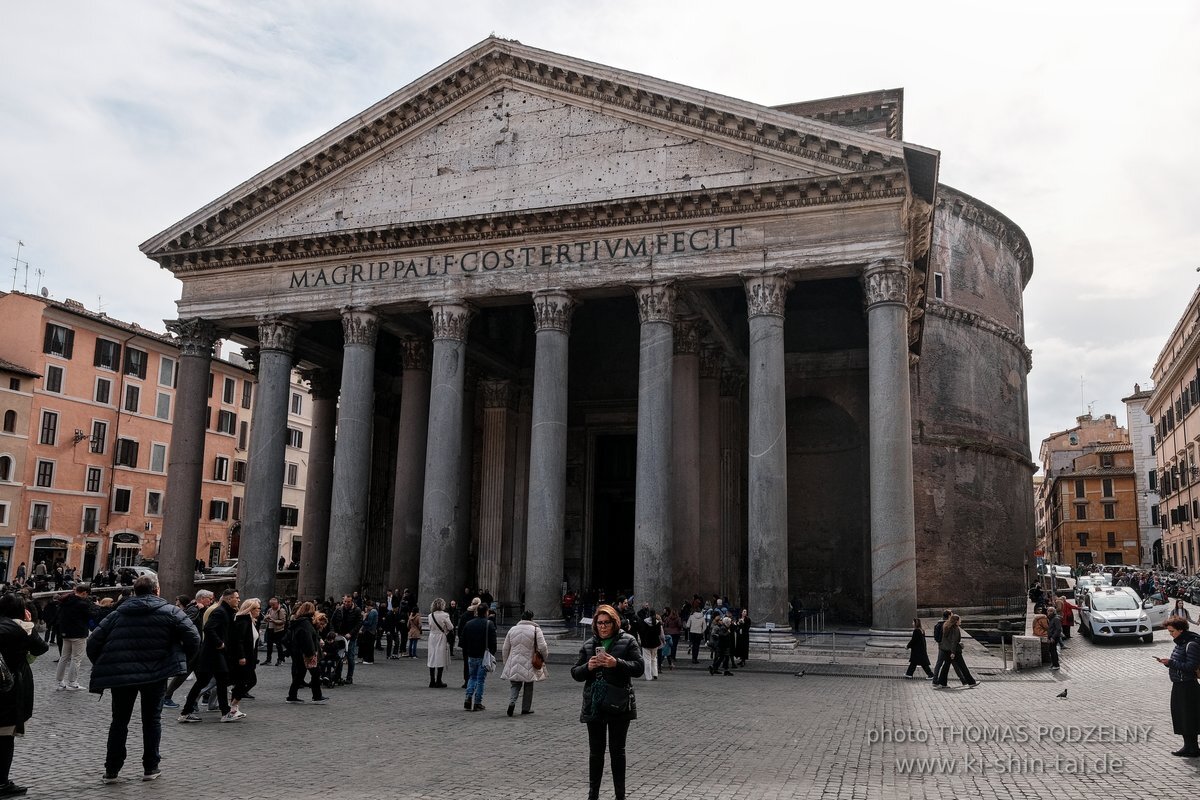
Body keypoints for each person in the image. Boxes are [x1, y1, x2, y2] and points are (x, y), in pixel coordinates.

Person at [87, 575, 200, 784]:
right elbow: (193, 638)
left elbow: (93, 641)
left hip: (122, 675)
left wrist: (107, 663)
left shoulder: (117, 613)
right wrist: (177, 659)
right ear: (156, 590)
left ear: (135, 591)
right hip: (155, 674)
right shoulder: (171, 611)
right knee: (152, 721)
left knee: (119, 722)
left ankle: (112, 770)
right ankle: (150, 767)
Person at [571, 604, 644, 800]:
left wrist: (616, 663)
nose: (603, 626)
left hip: (618, 704)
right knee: (596, 753)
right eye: (599, 623)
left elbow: (639, 668)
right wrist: (588, 666)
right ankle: (592, 795)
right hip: (594, 704)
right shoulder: (588, 645)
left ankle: (620, 795)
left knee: (617, 752)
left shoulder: (628, 641)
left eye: (607, 623)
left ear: (614, 623)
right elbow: (575, 673)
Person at [0, 592, 47, 796]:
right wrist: (29, 623)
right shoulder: (21, 630)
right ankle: (1, 782)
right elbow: (41, 647)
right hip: (9, 687)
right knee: (4, 738)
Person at [179, 588, 239, 723]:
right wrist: (220, 644)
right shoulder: (220, 611)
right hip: (213, 654)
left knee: (217, 682)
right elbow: (208, 628)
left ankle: (224, 712)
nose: (238, 599)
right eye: (236, 597)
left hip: (215, 654)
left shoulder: (225, 611)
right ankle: (187, 712)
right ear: (228, 599)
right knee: (206, 682)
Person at [1156, 615, 1200, 757]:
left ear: (1181, 630)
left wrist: (1171, 663)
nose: (1171, 634)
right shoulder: (1181, 643)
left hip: (1187, 685)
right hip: (1179, 683)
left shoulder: (1190, 644)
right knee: (1182, 716)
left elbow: (1191, 666)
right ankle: (1189, 746)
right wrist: (1167, 663)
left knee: (1188, 717)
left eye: (1172, 631)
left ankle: (1192, 747)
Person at [162, 590, 213, 709]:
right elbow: (184, 622)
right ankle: (167, 697)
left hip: (196, 647)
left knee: (202, 675)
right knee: (186, 674)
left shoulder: (199, 609)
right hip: (192, 647)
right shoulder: (194, 609)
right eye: (209, 599)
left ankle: (202, 697)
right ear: (201, 598)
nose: (211, 601)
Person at [501, 610, 548, 716]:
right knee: (529, 684)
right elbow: (543, 646)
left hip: (514, 660)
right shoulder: (536, 629)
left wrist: (505, 661)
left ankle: (512, 703)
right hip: (529, 661)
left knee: (515, 684)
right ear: (531, 618)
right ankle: (526, 708)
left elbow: (505, 647)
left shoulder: (512, 629)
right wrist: (544, 657)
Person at [285, 603, 326, 704]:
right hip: (306, 653)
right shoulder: (306, 623)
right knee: (315, 673)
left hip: (299, 652)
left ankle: (292, 696)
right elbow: (307, 640)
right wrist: (311, 653)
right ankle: (316, 696)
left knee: (300, 674)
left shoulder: (299, 621)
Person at [460, 602, 496, 711]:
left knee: (472, 677)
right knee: (480, 680)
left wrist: (467, 651)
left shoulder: (469, 624)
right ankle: (477, 702)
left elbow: (463, 640)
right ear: (486, 612)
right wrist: (492, 654)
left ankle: (468, 697)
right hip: (483, 655)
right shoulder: (489, 624)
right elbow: (493, 642)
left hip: (471, 654)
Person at [54, 584, 91, 691]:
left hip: (65, 632)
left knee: (64, 657)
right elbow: (90, 615)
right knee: (76, 658)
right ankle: (72, 682)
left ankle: (59, 681)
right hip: (78, 633)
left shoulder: (65, 601)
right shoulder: (82, 604)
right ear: (84, 593)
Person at [229, 598, 261, 719]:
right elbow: (239, 641)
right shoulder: (243, 622)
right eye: (258, 608)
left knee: (242, 682)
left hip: (249, 657)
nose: (259, 611)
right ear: (251, 609)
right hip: (244, 658)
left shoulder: (250, 621)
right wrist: (241, 656)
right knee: (249, 681)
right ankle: (233, 705)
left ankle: (234, 707)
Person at [932, 614, 978, 689]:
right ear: (956, 621)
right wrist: (953, 652)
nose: (961, 621)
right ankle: (971, 682)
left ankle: (942, 682)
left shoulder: (946, 626)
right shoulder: (955, 629)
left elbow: (947, 640)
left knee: (946, 666)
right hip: (955, 651)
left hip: (946, 649)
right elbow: (953, 641)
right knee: (963, 666)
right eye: (960, 620)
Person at [331, 595, 362, 684]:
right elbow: (332, 621)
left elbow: (359, 623)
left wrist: (351, 633)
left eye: (348, 602)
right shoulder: (339, 609)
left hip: (350, 637)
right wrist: (334, 632)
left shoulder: (357, 610)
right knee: (339, 656)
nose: (346, 603)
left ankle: (349, 677)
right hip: (340, 635)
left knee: (350, 656)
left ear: (352, 602)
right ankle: (337, 676)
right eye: (345, 602)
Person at [425, 599, 452, 688]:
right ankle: (438, 680)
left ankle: (432, 680)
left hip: (432, 636)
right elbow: (450, 627)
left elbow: (430, 626)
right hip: (441, 636)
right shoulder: (445, 615)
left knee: (432, 657)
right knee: (440, 657)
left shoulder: (430, 615)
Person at [635, 608, 663, 680]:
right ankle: (655, 673)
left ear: (648, 614)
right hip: (655, 643)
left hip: (646, 643)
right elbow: (659, 633)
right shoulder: (657, 622)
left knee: (647, 660)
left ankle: (648, 676)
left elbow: (641, 632)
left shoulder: (644, 622)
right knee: (654, 659)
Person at [263, 597, 288, 666]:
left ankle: (280, 659)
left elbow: (283, 621)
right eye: (271, 604)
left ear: (277, 603)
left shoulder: (281, 610)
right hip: (270, 629)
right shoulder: (269, 610)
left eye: (273, 605)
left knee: (279, 645)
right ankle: (268, 660)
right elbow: (265, 620)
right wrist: (266, 618)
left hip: (278, 630)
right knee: (269, 645)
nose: (272, 606)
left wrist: (273, 621)